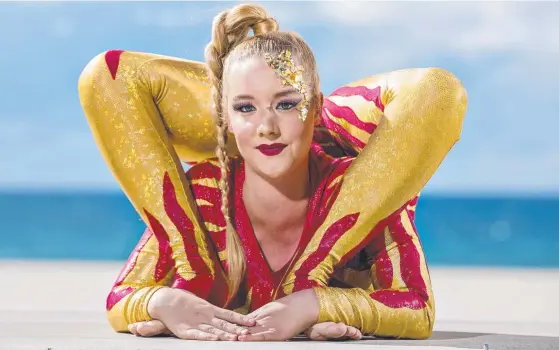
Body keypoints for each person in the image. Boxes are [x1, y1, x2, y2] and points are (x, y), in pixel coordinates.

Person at [78, 3, 467, 342]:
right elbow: (123, 297)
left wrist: (314, 302)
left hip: (340, 138)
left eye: (286, 104)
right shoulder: (206, 192)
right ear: (225, 119)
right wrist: (165, 302)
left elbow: (417, 308)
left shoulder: (364, 188)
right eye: (245, 108)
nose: (267, 127)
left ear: (314, 107)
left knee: (438, 91)